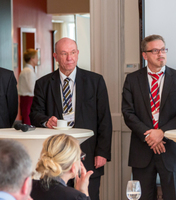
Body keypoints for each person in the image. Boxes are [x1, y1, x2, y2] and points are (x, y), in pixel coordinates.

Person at [29, 37, 112, 200]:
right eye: (64, 53)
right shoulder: (43, 83)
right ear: (55, 56)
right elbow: (34, 114)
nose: (69, 58)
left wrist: (102, 152)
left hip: (88, 153)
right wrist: (46, 121)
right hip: (56, 156)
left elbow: (105, 119)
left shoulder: (95, 81)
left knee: (89, 195)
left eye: (73, 53)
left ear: (78, 53)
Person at [122, 34, 176, 200]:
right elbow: (128, 113)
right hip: (142, 151)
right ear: (144, 55)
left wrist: (162, 132)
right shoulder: (132, 79)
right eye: (155, 51)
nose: (161, 54)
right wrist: (150, 135)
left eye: (163, 49)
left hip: (171, 150)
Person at [31, 134, 93, 200]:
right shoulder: (76, 197)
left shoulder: (28, 186)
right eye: (80, 157)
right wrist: (83, 191)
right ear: (73, 167)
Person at [18, 49, 38, 125]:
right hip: (28, 99)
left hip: (25, 98)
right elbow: (32, 88)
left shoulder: (25, 70)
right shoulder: (29, 71)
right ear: (32, 58)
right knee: (28, 121)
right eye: (36, 57)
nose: (37, 59)